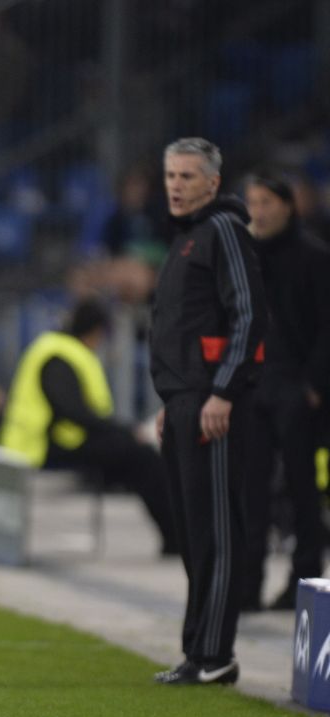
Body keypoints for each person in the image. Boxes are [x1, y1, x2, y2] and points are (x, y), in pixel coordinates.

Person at [150, 137, 265, 686]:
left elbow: (249, 316)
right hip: (185, 402)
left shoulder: (223, 230)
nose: (175, 185)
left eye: (187, 176)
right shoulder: (188, 237)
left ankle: (215, 653)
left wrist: (222, 392)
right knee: (195, 530)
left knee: (216, 530)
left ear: (213, 183)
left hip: (211, 404)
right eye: (171, 175)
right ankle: (199, 651)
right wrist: (171, 401)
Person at [0, 299, 177, 554]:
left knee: (136, 455)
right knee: (142, 458)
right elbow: (72, 412)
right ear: (96, 331)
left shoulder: (57, 348)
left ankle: (173, 535)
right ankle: (175, 537)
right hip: (42, 446)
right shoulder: (60, 355)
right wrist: (125, 432)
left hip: (54, 440)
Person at [242, 171, 330, 610]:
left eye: (266, 203)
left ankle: (304, 579)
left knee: (301, 490)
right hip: (254, 386)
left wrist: (314, 384)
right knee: (251, 489)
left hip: (297, 388)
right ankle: (248, 585)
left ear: (287, 206)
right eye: (253, 202)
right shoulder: (245, 256)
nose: (258, 211)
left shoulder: (314, 257)